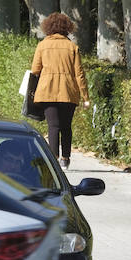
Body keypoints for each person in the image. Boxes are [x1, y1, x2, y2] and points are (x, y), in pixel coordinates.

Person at [29, 12, 90, 169]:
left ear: (47, 27)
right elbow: (79, 74)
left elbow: (35, 70)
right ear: (67, 28)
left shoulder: (42, 45)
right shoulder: (72, 47)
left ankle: (54, 160)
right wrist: (86, 97)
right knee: (66, 126)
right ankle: (66, 158)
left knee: (53, 126)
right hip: (68, 91)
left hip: (47, 91)